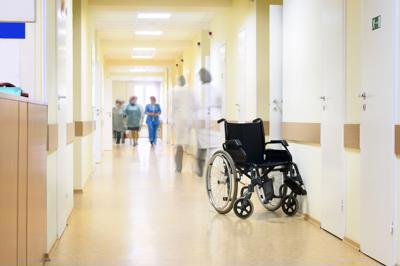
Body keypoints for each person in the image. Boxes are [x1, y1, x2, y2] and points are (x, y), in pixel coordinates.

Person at [195, 68, 222, 177]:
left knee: (201, 146)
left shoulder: (198, 90)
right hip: (215, 118)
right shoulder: (216, 90)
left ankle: (200, 170)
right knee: (213, 145)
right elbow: (220, 105)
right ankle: (211, 169)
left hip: (201, 118)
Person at [171, 76, 195, 172]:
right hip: (188, 120)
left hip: (180, 120)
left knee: (179, 144)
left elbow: (173, 107)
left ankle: (179, 167)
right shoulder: (190, 92)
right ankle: (193, 167)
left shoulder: (175, 92)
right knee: (187, 144)